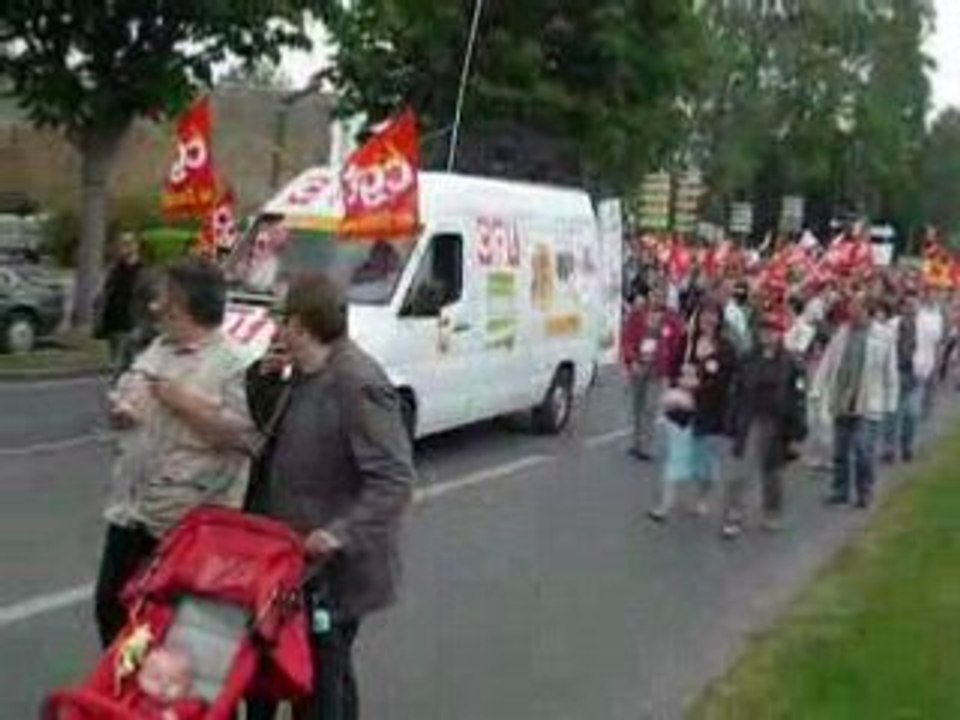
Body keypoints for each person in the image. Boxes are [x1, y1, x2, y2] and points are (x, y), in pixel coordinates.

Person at [244, 272, 415, 720]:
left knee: (321, 682)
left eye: (281, 319)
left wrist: (340, 533)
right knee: (303, 674)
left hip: (334, 571)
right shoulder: (301, 372)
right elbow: (269, 431)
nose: (275, 329)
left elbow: (394, 478)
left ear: (300, 325)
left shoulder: (357, 383)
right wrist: (264, 379)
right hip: (291, 562)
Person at [94, 258, 256, 648]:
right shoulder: (157, 348)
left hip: (186, 524)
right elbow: (130, 396)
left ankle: (173, 702)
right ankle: (125, 697)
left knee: (177, 633)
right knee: (112, 610)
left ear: (184, 306)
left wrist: (184, 402)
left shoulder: (235, 364)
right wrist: (120, 410)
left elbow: (248, 438)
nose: (153, 306)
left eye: (162, 298)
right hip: (131, 510)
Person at [811, 292, 899, 509]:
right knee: (840, 450)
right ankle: (840, 490)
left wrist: (890, 402)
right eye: (851, 307)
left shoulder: (883, 336)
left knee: (862, 450)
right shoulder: (842, 333)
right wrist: (818, 387)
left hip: (868, 402)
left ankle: (864, 492)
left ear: (867, 310)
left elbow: (890, 371)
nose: (851, 311)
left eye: (856, 307)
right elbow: (828, 361)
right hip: (842, 399)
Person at [723, 314, 807, 538]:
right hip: (750, 418)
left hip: (777, 423)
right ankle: (734, 514)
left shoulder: (791, 363)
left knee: (772, 473)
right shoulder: (748, 358)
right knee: (740, 470)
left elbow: (798, 397)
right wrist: (731, 420)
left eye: (772, 330)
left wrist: (798, 430)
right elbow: (737, 391)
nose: (767, 335)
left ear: (780, 334)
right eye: (763, 330)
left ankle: (772, 512)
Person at [621, 283, 684, 460]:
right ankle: (636, 442)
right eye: (655, 294)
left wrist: (673, 368)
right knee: (637, 406)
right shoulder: (638, 314)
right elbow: (627, 338)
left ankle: (646, 447)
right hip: (638, 366)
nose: (658, 298)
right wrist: (631, 360)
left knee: (650, 407)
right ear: (650, 295)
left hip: (658, 369)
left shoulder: (673, 318)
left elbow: (679, 343)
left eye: (662, 295)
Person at [98, 233, 147, 377]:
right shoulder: (115, 269)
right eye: (122, 244)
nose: (124, 248)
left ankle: (125, 387)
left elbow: (148, 296)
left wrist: (142, 325)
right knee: (117, 362)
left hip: (132, 322)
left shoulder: (142, 270)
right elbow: (107, 292)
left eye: (128, 244)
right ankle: (121, 387)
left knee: (126, 362)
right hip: (113, 321)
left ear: (136, 246)